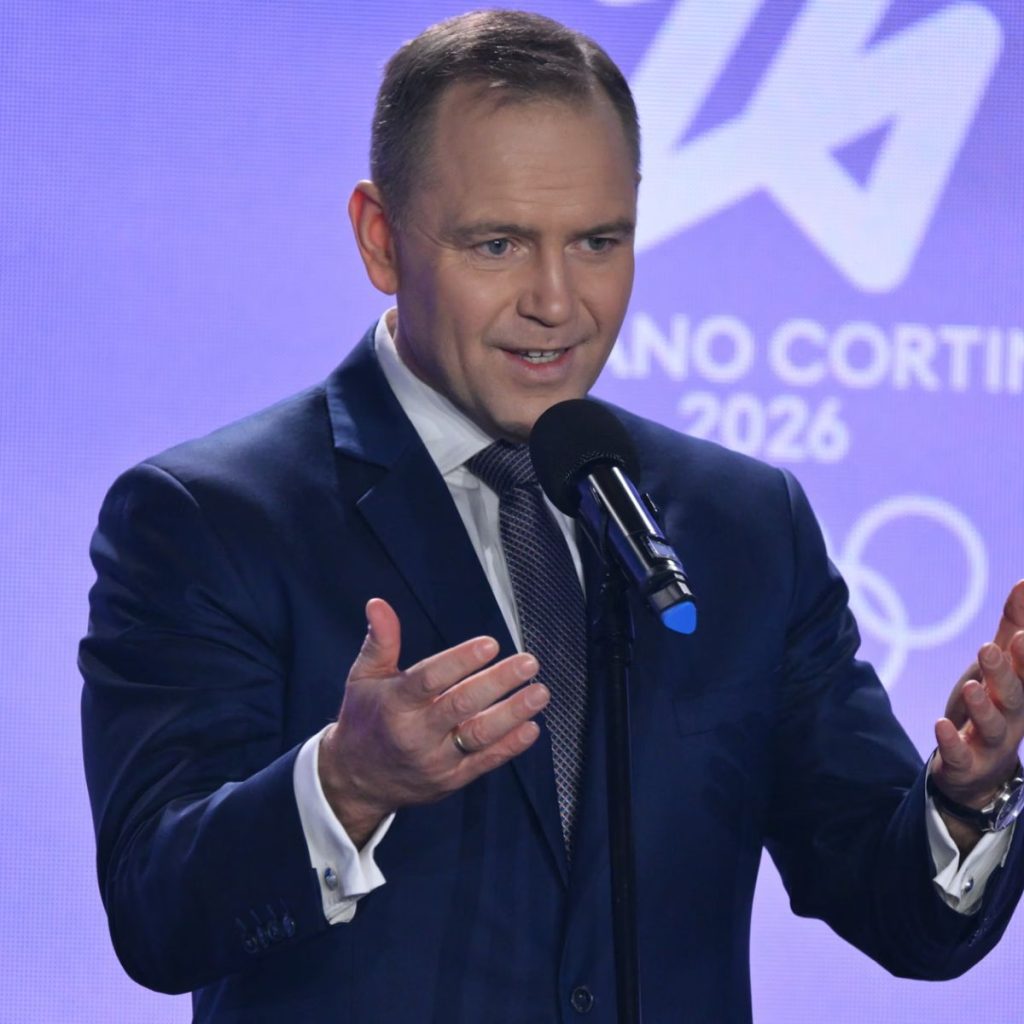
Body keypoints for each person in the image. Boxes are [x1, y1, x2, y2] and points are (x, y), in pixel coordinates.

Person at [80, 10, 1024, 1023]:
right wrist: (345, 783)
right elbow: (157, 912)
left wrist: (967, 798)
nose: (556, 301)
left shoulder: (743, 524)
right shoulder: (210, 519)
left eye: (597, 241)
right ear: (380, 238)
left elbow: (900, 911)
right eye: (497, 244)